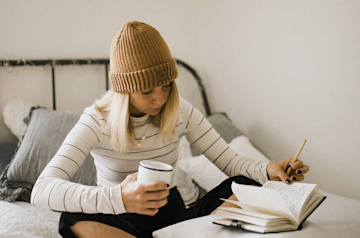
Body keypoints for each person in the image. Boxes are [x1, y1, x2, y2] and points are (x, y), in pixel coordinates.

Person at [31, 21, 309, 238]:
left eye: (166, 85)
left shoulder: (180, 111)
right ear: (124, 90)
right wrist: (119, 198)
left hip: (176, 221)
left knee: (249, 186)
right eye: (147, 90)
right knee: (70, 219)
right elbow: (41, 190)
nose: (160, 99)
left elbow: (231, 161)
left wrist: (267, 169)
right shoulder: (96, 121)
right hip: (119, 221)